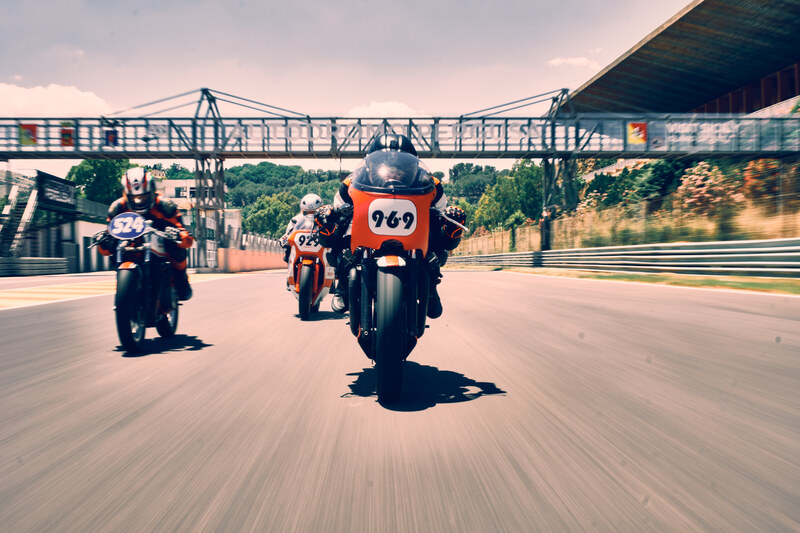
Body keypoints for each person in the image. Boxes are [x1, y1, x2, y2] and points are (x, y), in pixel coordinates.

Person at [314, 133, 466, 318]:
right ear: (371, 166)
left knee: (440, 242)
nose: (393, 173)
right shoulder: (351, 182)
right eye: (386, 166)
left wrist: (449, 219)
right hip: (366, 229)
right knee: (336, 236)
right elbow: (338, 208)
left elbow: (441, 211)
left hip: (415, 233)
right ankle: (343, 287)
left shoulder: (432, 183)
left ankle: (431, 288)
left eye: (400, 169)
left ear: (412, 166)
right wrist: (331, 215)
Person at [95, 167, 195, 300]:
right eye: (134, 197)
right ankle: (126, 285)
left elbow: (183, 232)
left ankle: (181, 281)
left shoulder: (165, 205)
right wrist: (104, 240)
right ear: (126, 194)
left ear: (152, 191)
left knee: (177, 249)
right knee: (112, 249)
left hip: (160, 238)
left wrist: (179, 235)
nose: (139, 201)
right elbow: (110, 232)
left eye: (144, 196)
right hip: (131, 242)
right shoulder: (117, 208)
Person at [280, 193, 323, 263]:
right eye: (307, 212)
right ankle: (291, 263)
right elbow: (288, 232)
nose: (311, 215)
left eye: (314, 212)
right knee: (288, 251)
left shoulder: (324, 220)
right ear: (302, 210)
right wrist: (285, 238)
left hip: (320, 246)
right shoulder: (295, 220)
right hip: (299, 247)